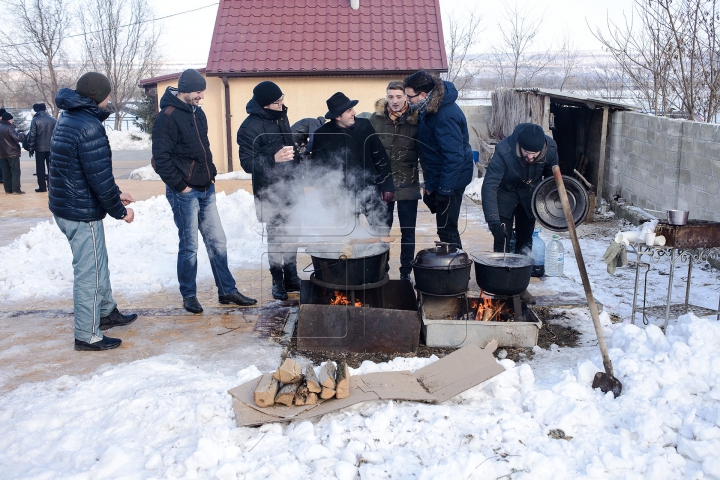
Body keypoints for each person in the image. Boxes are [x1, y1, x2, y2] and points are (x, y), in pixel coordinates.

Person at [152, 68, 257, 313]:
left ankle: (227, 291)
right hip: (185, 193)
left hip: (206, 188)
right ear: (186, 89)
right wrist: (182, 186)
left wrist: (210, 176)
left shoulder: (198, 114)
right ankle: (188, 295)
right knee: (189, 246)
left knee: (217, 240)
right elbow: (160, 160)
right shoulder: (166, 117)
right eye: (199, 91)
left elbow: (204, 148)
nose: (202, 96)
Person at [49, 72, 138, 351]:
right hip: (80, 212)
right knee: (90, 272)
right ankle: (87, 335)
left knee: (98, 262)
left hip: (67, 205)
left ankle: (106, 311)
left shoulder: (69, 117)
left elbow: (89, 170)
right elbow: (97, 178)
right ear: (100, 96)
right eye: (108, 94)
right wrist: (119, 211)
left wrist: (116, 194)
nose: (110, 98)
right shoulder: (88, 125)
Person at [237, 81, 302, 301]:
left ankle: (292, 277)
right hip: (269, 191)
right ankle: (278, 280)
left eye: (282, 98)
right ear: (265, 104)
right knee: (276, 237)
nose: (282, 103)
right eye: (277, 102)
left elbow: (288, 144)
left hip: (291, 187)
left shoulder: (280, 115)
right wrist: (272, 159)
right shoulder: (248, 128)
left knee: (293, 232)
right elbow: (247, 163)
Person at [481, 122, 559, 303]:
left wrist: (548, 207)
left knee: (525, 241)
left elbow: (551, 180)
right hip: (506, 192)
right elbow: (490, 185)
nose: (530, 157)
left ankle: (520, 287)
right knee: (503, 239)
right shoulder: (504, 150)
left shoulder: (550, 149)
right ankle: (500, 287)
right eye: (526, 152)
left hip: (530, 194)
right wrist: (493, 221)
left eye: (535, 154)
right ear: (520, 146)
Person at [404, 70, 474, 249]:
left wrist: (444, 190)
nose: (407, 100)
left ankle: (456, 271)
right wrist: (431, 184)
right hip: (440, 175)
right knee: (443, 224)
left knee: (447, 228)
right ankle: (454, 266)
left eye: (409, 96)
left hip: (453, 179)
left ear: (423, 94)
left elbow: (454, 157)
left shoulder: (445, 115)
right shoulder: (427, 108)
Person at [310, 92, 395, 234]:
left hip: (371, 189)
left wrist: (387, 185)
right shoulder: (321, 135)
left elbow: (380, 157)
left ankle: (379, 257)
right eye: (349, 110)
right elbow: (319, 170)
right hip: (342, 196)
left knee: (381, 232)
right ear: (337, 116)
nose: (354, 113)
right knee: (348, 235)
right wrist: (327, 197)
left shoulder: (365, 125)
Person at [369, 81, 422, 282]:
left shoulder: (416, 120)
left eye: (399, 97)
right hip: (383, 184)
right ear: (386, 97)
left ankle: (405, 272)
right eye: (391, 97)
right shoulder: (375, 119)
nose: (395, 101)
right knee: (382, 230)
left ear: (406, 97)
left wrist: (429, 184)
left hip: (408, 183)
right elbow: (369, 150)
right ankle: (382, 269)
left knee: (408, 232)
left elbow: (423, 153)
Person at [24, 103, 57, 193]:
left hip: (39, 148)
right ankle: (51, 186)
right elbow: (56, 135)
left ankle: (42, 187)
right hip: (51, 148)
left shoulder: (35, 120)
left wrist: (31, 148)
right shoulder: (53, 120)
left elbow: (32, 136)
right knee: (51, 168)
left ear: (36, 110)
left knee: (40, 168)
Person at [0, 111, 26, 195]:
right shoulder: (9, 127)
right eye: (11, 119)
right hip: (12, 153)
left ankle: (8, 189)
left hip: (3, 153)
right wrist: (22, 134)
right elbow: (17, 138)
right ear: (8, 120)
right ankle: (16, 189)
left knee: (6, 171)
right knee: (15, 171)